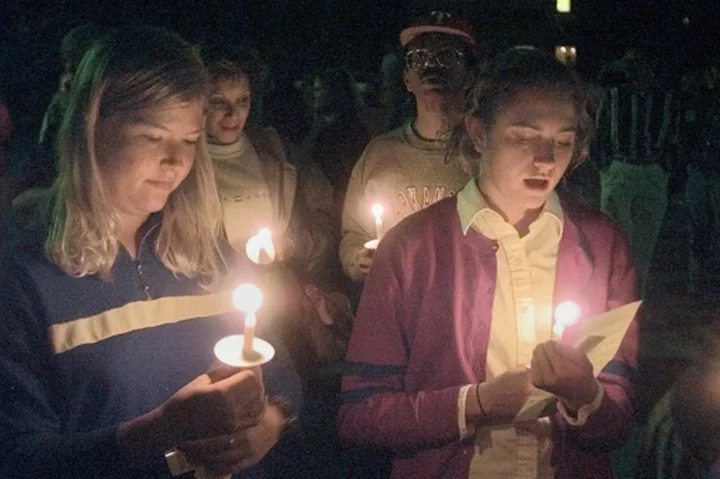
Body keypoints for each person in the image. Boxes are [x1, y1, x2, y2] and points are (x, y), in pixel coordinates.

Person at [0, 26, 302, 479]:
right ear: (92, 126)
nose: (177, 161)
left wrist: (272, 422)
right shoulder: (26, 281)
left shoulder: (209, 257)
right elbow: (21, 458)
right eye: (152, 136)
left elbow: (282, 373)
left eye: (189, 140)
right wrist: (162, 429)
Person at [337, 47, 639, 478]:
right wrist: (473, 405)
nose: (545, 159)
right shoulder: (411, 248)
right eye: (523, 136)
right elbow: (360, 415)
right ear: (479, 134)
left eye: (563, 141)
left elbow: (619, 421)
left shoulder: (603, 246)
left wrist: (585, 396)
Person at [339, 10, 478, 284]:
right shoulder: (379, 153)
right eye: (419, 58)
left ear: (471, 75)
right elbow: (353, 235)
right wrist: (359, 259)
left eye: (447, 56)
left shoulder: (488, 157)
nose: (431, 68)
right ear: (406, 78)